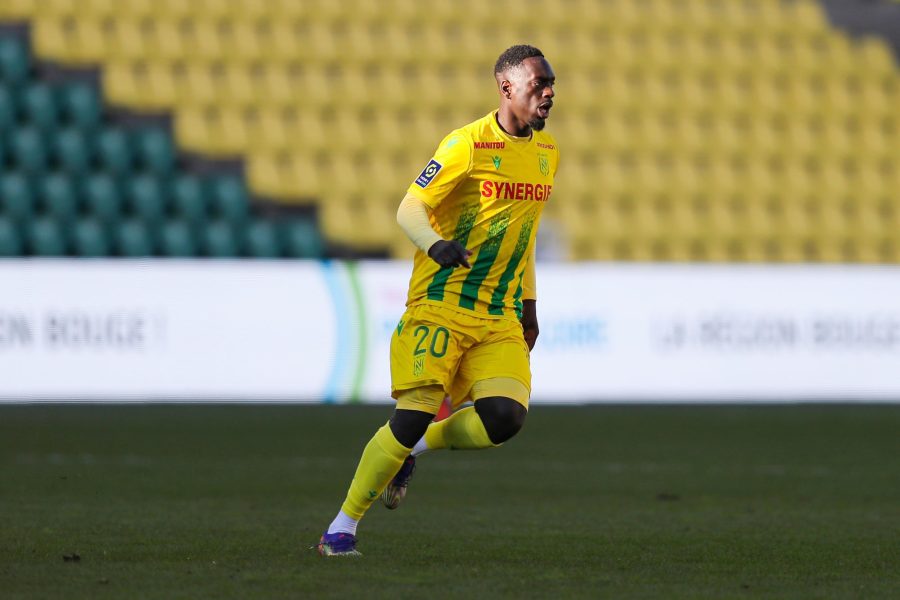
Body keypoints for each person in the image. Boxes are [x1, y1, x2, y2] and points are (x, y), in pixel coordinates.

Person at [317, 44, 558, 556]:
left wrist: (530, 304)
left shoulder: (546, 154)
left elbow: (526, 234)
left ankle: (414, 451)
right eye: (539, 83)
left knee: (505, 417)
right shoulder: (465, 145)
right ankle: (342, 528)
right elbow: (409, 207)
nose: (549, 92)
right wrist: (435, 244)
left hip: (498, 313)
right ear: (506, 87)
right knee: (411, 414)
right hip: (442, 302)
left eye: (551, 83)